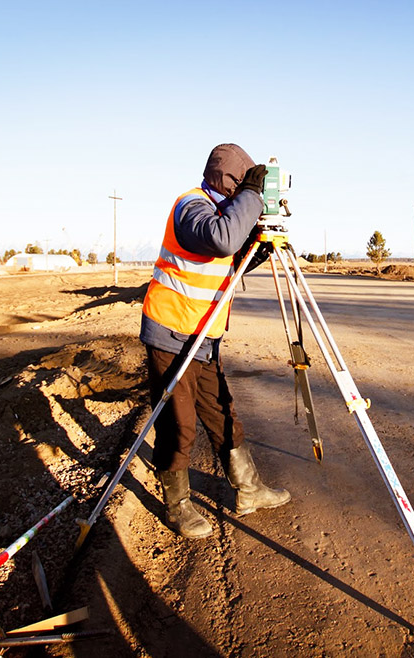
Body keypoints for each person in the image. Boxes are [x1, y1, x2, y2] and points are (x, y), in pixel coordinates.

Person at [140, 143, 291, 539]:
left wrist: (263, 240)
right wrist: (254, 198)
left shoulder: (222, 212)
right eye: (243, 184)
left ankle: (249, 490)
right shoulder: (191, 206)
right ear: (230, 179)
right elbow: (222, 240)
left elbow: (233, 257)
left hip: (203, 336)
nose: (247, 191)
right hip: (171, 333)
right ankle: (178, 505)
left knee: (222, 412)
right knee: (180, 423)